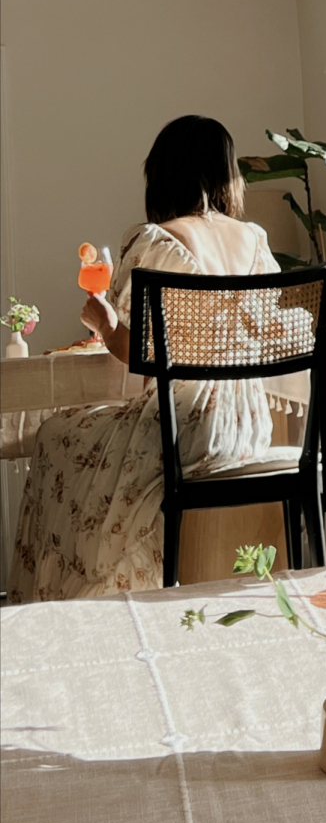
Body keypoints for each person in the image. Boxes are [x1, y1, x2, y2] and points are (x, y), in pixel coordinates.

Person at [9, 116, 282, 600]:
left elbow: (139, 355)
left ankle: (66, 601)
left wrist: (103, 322)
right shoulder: (255, 241)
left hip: (186, 429)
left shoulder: (155, 241)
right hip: (249, 425)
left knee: (54, 436)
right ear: (226, 174)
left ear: (164, 174)